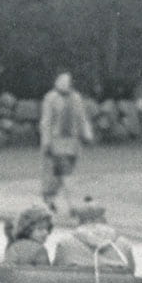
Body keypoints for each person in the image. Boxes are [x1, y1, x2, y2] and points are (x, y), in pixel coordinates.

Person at [39, 70, 94, 216]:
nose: (64, 84)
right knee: (65, 172)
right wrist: (46, 142)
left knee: (59, 175)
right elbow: (47, 121)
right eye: (61, 81)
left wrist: (87, 134)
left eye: (67, 82)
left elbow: (81, 118)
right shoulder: (50, 98)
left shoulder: (76, 98)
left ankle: (48, 200)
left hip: (72, 142)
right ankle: (73, 206)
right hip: (57, 142)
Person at [51, 198, 135, 272]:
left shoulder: (65, 243)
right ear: (103, 219)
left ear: (81, 220)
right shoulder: (123, 243)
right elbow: (131, 272)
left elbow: (56, 271)